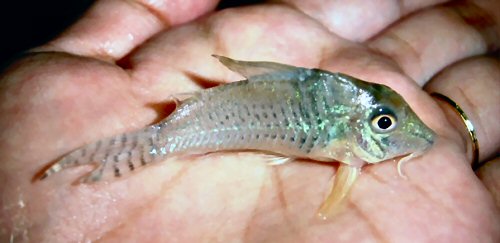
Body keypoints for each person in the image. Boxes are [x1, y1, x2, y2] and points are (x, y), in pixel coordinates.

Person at [0, 0, 498, 242]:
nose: (391, 133)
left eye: (384, 124)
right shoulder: (349, 140)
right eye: (384, 124)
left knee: (157, 142)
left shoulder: (351, 131)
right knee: (157, 142)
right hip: (195, 122)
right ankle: (139, 149)